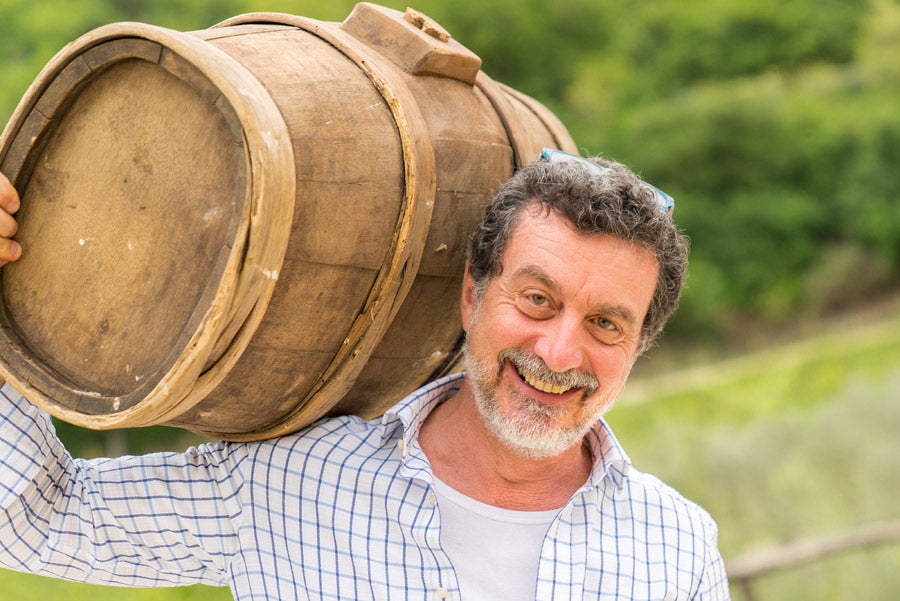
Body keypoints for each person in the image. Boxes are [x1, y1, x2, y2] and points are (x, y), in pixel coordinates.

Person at [0, 152, 730, 600]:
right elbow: (32, 519)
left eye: (607, 323)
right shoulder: (284, 482)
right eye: (536, 300)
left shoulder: (678, 547)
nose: (563, 352)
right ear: (473, 295)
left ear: (639, 346)